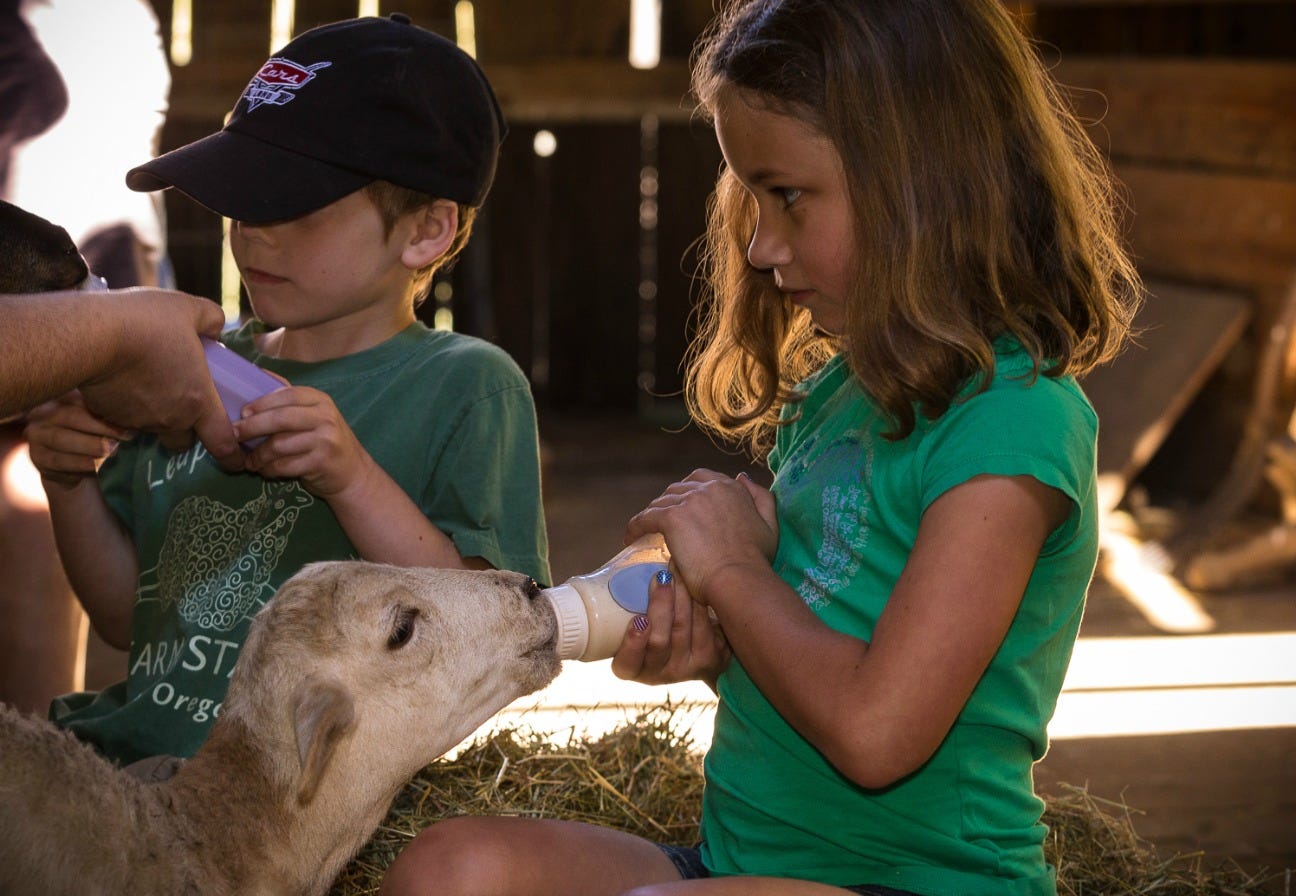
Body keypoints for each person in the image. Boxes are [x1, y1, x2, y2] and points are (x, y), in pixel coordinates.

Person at [380, 1, 1141, 895]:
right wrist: (717, 649)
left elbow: (874, 734)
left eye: (788, 196)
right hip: (741, 867)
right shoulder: (840, 392)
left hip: (913, 882)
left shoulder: (1012, 423)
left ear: (926, 181)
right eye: (750, 196)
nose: (759, 243)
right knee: (450, 868)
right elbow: (813, 641)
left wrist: (736, 579)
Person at [23, 13, 550, 769]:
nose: (252, 235)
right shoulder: (184, 370)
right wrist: (68, 480)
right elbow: (121, 617)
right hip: (136, 763)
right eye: (241, 202)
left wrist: (351, 477)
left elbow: (487, 631)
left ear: (426, 232)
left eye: (293, 210)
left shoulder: (466, 387)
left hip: (303, 794)